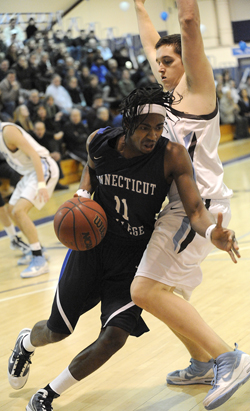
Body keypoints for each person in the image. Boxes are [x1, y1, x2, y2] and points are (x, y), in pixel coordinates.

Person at [7, 86, 238, 411]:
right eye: (146, 127)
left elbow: (196, 210)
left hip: (132, 258)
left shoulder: (171, 155)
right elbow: (91, 165)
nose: (153, 135)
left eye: (159, 127)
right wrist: (84, 194)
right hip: (92, 250)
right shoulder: (99, 141)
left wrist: (214, 232)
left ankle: (47, 394)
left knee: (114, 337)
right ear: (127, 123)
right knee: (57, 331)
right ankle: (26, 343)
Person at [132, 0, 250, 409]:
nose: (159, 66)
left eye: (168, 60)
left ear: (188, 59)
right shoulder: (166, 96)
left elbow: (187, 20)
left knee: (144, 289)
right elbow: (151, 43)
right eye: (158, 62)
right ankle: (201, 362)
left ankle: (228, 358)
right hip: (181, 209)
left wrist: (184, 17)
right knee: (163, 290)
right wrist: (140, 8)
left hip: (200, 209)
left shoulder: (199, 90)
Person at [0, 122, 59, 277]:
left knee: (19, 210)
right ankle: (39, 249)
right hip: (29, 174)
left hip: (43, 167)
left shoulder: (7, 131)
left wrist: (41, 184)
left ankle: (39, 259)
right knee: (10, 210)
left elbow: (34, 155)